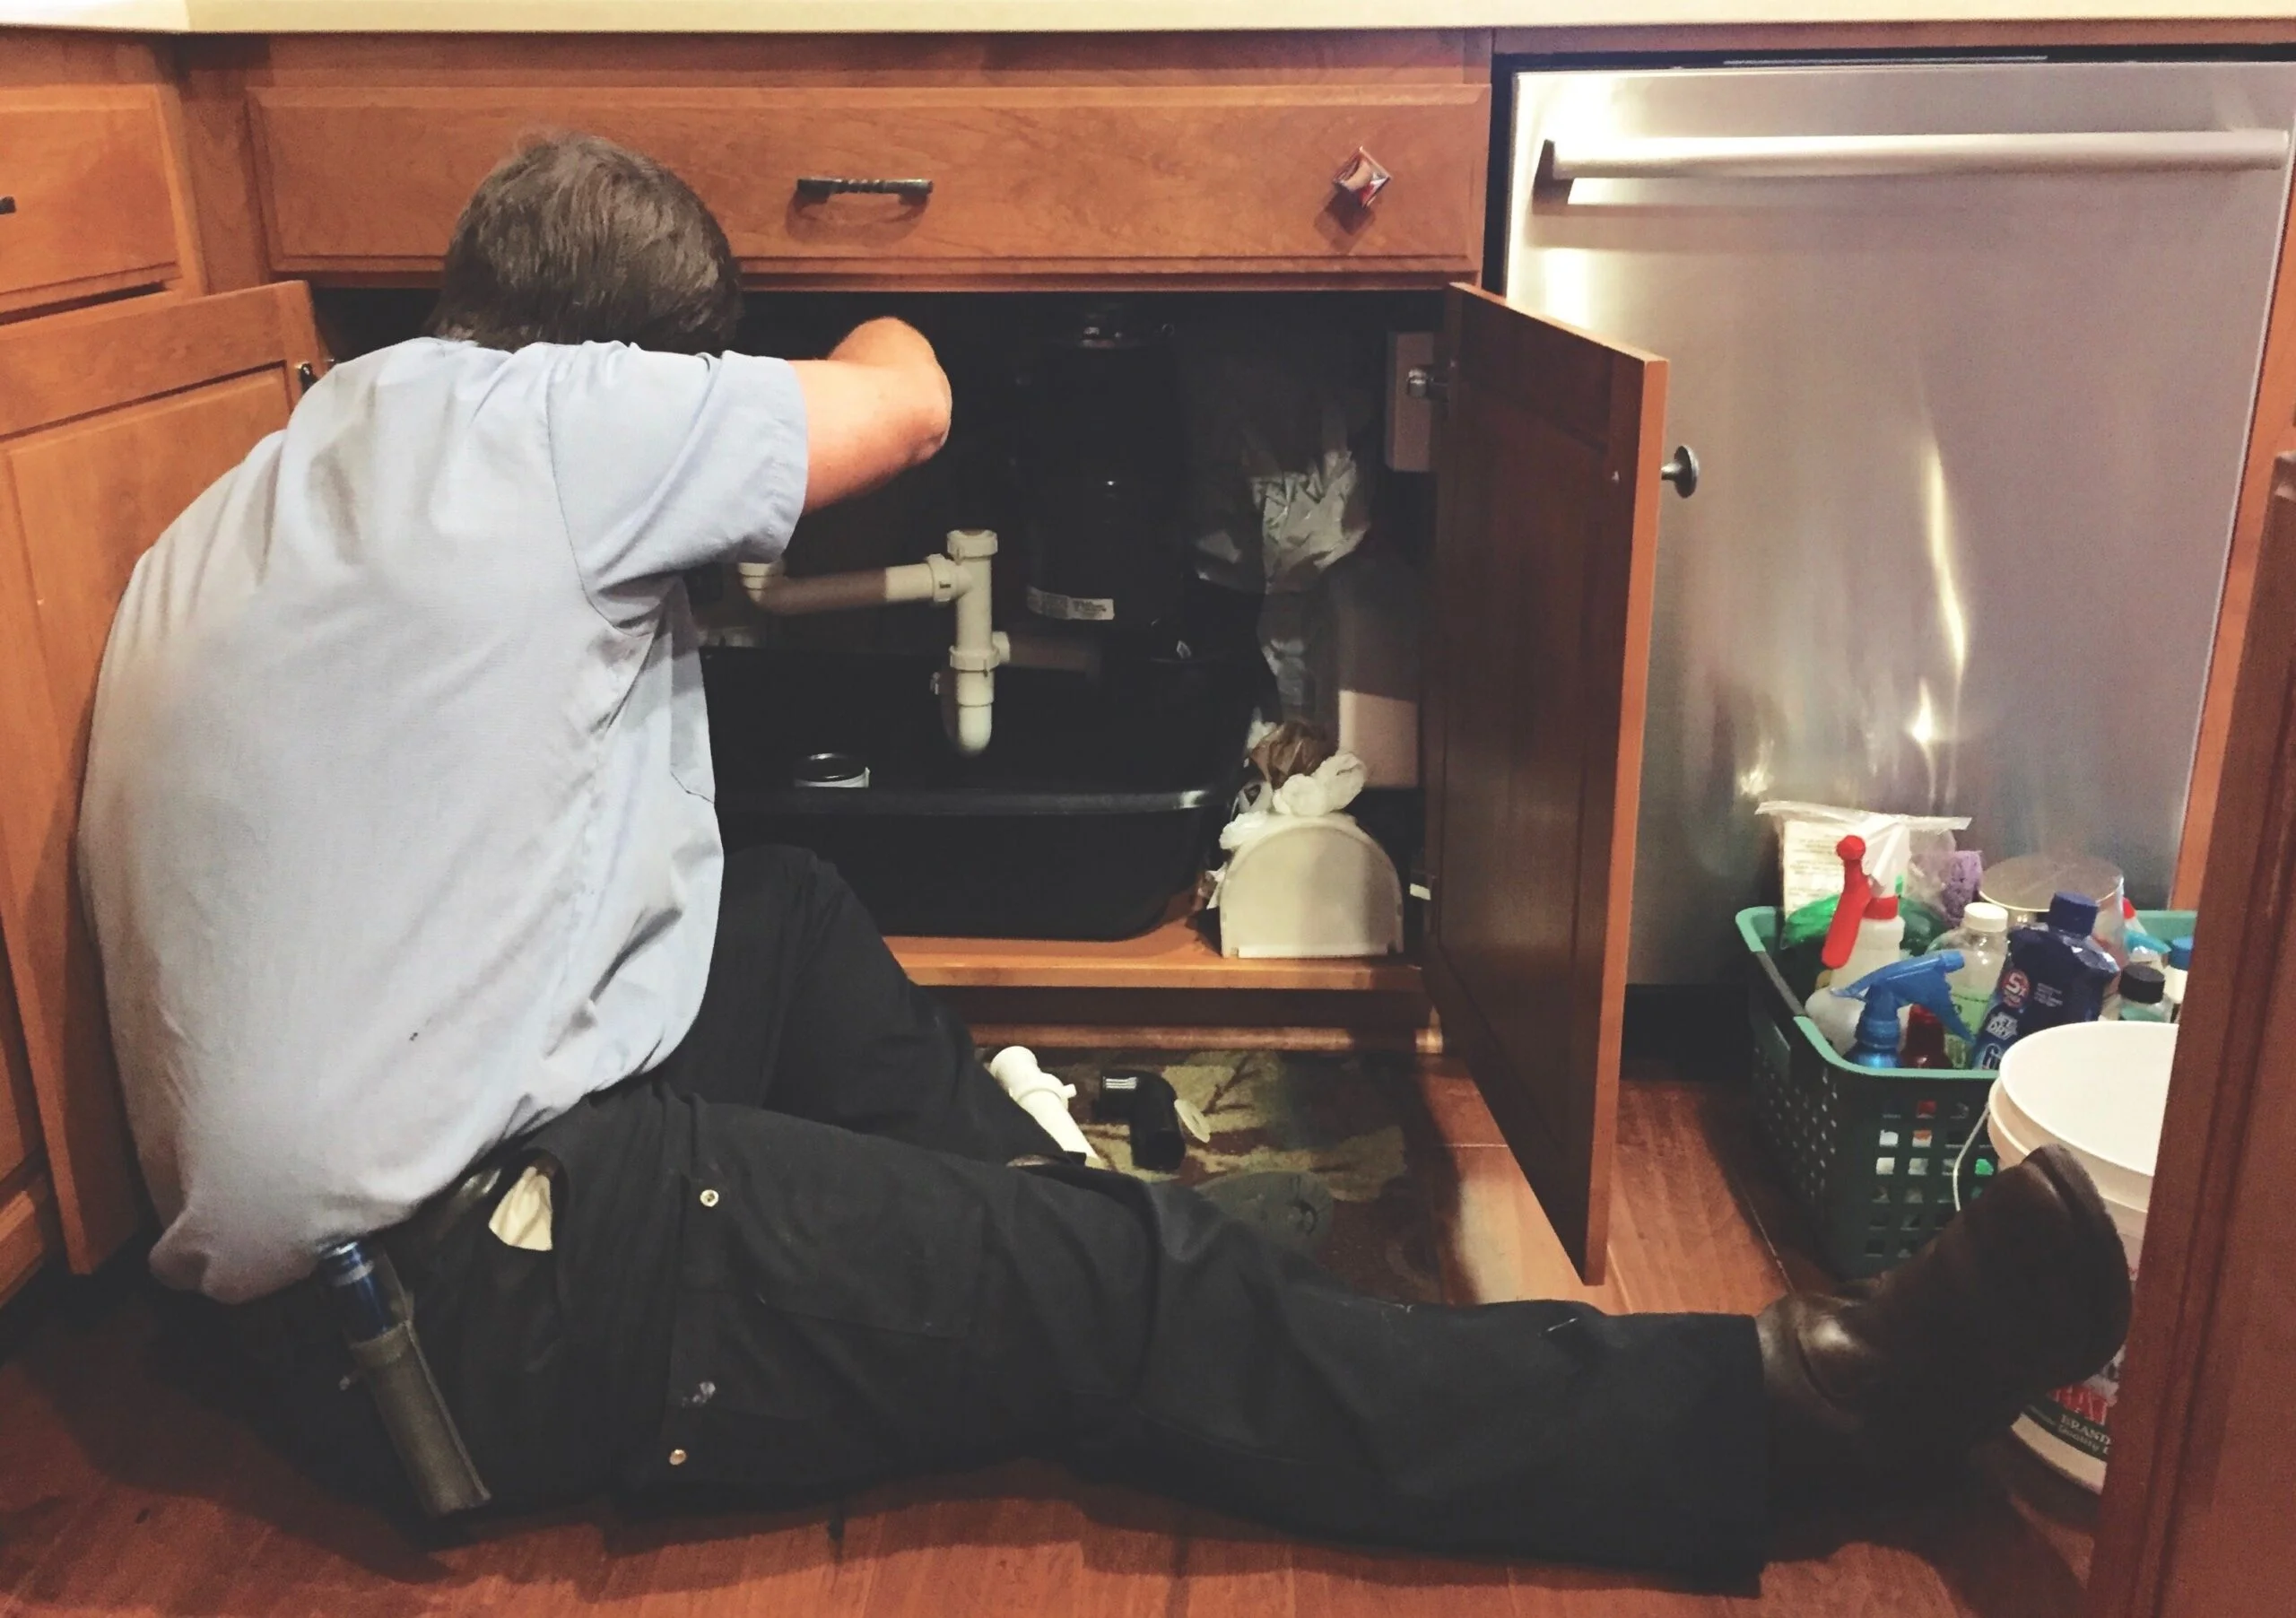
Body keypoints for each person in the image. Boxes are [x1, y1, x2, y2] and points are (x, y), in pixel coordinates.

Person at [77, 134, 2133, 1583]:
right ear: (634, 365)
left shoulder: (293, 468)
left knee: (777, 917)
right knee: (1117, 1292)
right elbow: (904, 394)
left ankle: (1062, 1237)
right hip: (467, 1307)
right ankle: (1772, 1420)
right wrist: (822, 333)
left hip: (320, 1300)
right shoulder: (558, 425)